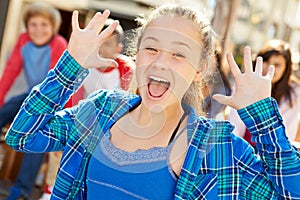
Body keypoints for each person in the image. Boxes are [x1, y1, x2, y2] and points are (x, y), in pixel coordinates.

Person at [5, 4, 300, 199]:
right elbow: (24, 135)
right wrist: (71, 65)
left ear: (201, 70)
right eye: (151, 48)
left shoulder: (216, 148)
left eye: (178, 54)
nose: (160, 62)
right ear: (137, 55)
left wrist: (262, 118)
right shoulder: (100, 110)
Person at [0, 2, 82, 199]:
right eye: (33, 24)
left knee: (36, 133)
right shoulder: (23, 41)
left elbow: (55, 87)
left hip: (50, 104)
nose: (38, 30)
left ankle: (23, 189)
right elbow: (11, 72)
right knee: (4, 110)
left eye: (44, 25)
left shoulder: (59, 44)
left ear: (53, 27)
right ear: (27, 27)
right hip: (29, 96)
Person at [228, 39, 300, 148]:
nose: (270, 68)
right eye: (266, 61)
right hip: (240, 150)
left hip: (271, 156)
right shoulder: (244, 83)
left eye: (277, 65)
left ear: (286, 69)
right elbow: (234, 126)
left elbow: (287, 136)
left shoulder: (294, 95)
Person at [83, 18, 135, 95]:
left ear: (118, 48)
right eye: (98, 42)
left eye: (107, 44)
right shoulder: (82, 62)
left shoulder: (126, 68)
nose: (101, 47)